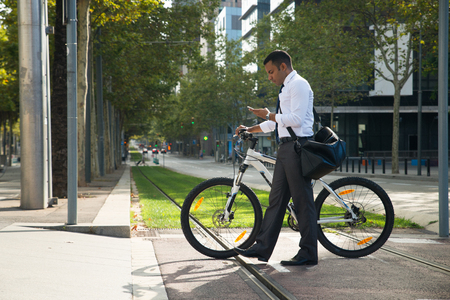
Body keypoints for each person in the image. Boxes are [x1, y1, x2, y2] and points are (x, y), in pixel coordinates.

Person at [234, 50, 317, 266]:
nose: (269, 76)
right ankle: (262, 248)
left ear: (283, 67)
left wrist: (269, 114)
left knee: (302, 203)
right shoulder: (285, 88)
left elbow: (296, 120)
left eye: (271, 71)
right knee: (276, 201)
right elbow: (277, 123)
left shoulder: (298, 84)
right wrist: (250, 128)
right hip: (286, 149)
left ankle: (308, 253)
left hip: (298, 148)